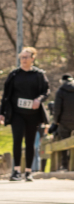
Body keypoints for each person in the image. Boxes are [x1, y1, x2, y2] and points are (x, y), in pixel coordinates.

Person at [0, 47, 50, 181]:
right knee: (17, 140)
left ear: (33, 58)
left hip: (33, 114)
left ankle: (28, 171)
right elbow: (6, 95)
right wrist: (2, 113)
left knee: (30, 142)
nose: (24, 60)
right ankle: (16, 171)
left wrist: (39, 100)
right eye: (22, 57)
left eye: (26, 57)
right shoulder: (14, 74)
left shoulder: (39, 74)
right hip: (17, 114)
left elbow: (46, 91)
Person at [51, 74, 74, 171]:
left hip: (64, 121)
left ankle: (65, 165)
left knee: (64, 142)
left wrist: (56, 121)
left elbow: (57, 108)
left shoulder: (61, 91)